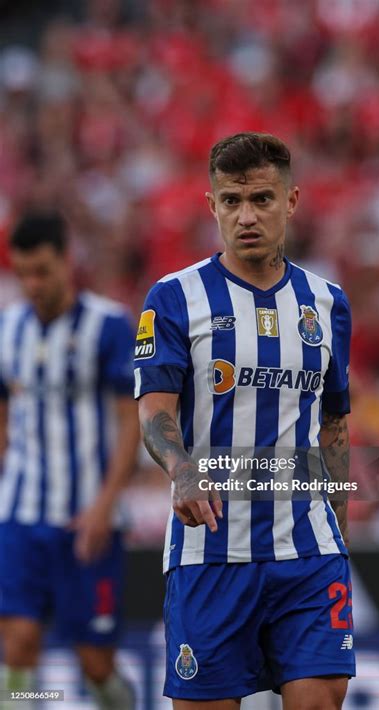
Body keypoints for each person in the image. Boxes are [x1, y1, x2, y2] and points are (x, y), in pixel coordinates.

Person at [135, 132, 355, 710]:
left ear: (292, 201)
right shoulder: (174, 297)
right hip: (210, 553)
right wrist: (181, 468)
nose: (246, 215)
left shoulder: (328, 303)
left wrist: (342, 527)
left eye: (261, 198)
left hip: (308, 550)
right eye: (231, 201)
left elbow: (334, 424)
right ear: (212, 206)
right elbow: (155, 410)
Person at [0, 211, 139, 709]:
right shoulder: (6, 328)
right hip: (19, 514)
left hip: (88, 518)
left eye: (42, 270)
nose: (32, 284)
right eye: (22, 273)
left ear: (66, 261)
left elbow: (131, 422)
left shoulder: (109, 325)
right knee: (18, 646)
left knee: (94, 664)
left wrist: (105, 505)